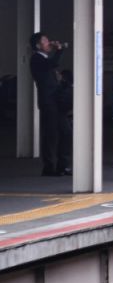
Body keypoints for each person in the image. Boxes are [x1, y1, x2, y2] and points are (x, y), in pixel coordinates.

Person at [29, 32, 70, 176]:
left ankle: (63, 165)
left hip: (57, 101)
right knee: (51, 135)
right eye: (45, 41)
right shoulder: (36, 59)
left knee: (65, 132)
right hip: (48, 102)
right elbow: (52, 63)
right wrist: (60, 50)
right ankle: (49, 167)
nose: (49, 43)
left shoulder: (45, 59)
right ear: (38, 45)